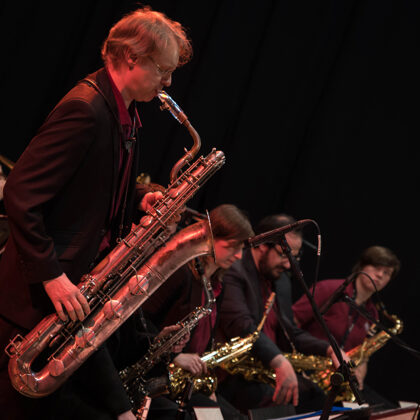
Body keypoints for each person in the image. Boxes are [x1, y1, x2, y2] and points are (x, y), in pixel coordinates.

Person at [0, 6, 192, 420]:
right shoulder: (85, 109)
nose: (168, 82)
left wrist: (138, 197)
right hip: (39, 303)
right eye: (163, 70)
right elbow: (20, 193)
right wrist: (51, 276)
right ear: (132, 57)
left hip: (72, 294)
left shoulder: (125, 113)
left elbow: (88, 184)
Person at [217, 214, 343, 416]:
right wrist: (279, 361)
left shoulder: (281, 279)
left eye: (294, 256)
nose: (288, 265)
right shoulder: (235, 270)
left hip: (264, 369)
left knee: (318, 397)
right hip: (233, 372)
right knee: (294, 401)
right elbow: (241, 325)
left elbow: (290, 331)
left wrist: (329, 349)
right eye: (284, 254)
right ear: (261, 245)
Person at [142, 204, 254, 420]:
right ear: (209, 238)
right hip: (157, 378)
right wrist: (175, 356)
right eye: (232, 246)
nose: (239, 256)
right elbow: (142, 321)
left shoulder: (216, 284)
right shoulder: (180, 274)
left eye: (242, 248)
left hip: (185, 381)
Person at [293, 245, 401, 408]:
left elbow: (363, 352)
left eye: (387, 273)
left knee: (387, 410)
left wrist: (361, 368)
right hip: (307, 372)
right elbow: (291, 324)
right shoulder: (328, 289)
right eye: (376, 267)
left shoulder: (373, 313)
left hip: (337, 381)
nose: (380, 275)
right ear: (362, 266)